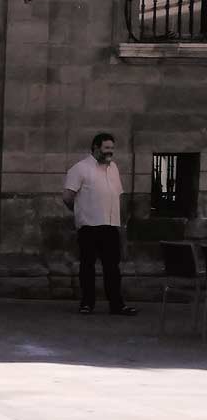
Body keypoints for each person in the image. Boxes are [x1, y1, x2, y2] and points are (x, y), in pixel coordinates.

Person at [62, 133, 138, 316]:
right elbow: (67, 197)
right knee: (87, 266)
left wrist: (121, 223)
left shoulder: (114, 168)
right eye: (106, 148)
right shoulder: (80, 169)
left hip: (111, 225)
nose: (110, 152)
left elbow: (118, 195)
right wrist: (82, 212)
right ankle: (87, 303)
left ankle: (117, 305)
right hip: (89, 226)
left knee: (113, 267)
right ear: (96, 148)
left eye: (112, 148)